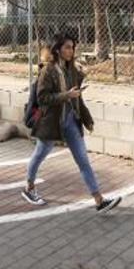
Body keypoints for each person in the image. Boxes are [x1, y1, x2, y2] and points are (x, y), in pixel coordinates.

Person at [21, 33, 121, 212]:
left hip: (70, 121)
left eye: (72, 47)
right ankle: (29, 187)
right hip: (51, 123)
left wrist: (84, 113)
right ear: (58, 49)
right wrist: (66, 95)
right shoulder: (48, 70)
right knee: (40, 154)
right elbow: (42, 98)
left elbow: (76, 96)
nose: (71, 50)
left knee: (83, 160)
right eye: (67, 47)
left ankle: (99, 200)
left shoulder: (72, 69)